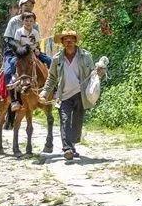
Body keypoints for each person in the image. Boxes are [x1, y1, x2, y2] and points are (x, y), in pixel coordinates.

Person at [41, 30, 106, 161]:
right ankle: (67, 149)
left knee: (77, 123)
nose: (69, 42)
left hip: (80, 95)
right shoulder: (57, 59)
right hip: (63, 95)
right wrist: (44, 92)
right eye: (66, 40)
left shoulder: (85, 56)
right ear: (62, 42)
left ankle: (72, 144)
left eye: (71, 39)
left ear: (75, 41)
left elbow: (93, 74)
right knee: (65, 120)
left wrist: (100, 72)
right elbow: (52, 78)